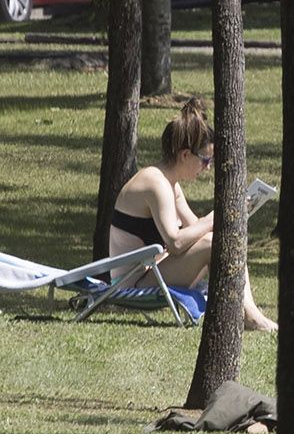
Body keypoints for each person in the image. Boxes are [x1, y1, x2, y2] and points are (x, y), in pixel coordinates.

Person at [109, 98, 277, 331]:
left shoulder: (169, 183)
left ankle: (248, 312)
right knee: (213, 243)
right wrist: (214, 220)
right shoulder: (154, 183)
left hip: (152, 271)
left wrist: (232, 217)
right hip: (132, 284)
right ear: (185, 155)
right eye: (205, 160)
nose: (207, 167)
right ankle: (249, 317)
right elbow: (176, 243)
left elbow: (195, 227)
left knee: (224, 240)